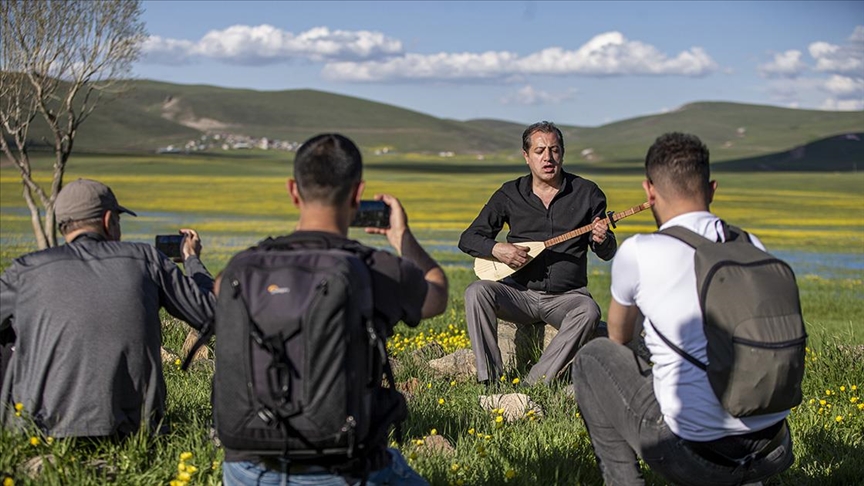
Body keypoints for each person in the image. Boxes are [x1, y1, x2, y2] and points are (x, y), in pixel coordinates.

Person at [221, 133, 448, 486]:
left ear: (293, 191)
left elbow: (217, 291)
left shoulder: (243, 268)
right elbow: (437, 293)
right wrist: (402, 237)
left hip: (246, 468)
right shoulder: (379, 269)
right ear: (358, 194)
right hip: (344, 470)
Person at [572, 133, 794, 485]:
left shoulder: (641, 251)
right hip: (774, 448)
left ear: (649, 191)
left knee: (593, 357)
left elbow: (618, 337)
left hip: (696, 457)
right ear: (712, 188)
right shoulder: (750, 242)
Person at [0, 178, 216, 438]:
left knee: (9, 331)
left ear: (63, 226)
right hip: (132, 430)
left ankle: (20, 417)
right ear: (108, 221)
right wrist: (191, 259)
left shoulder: (25, 271)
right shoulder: (145, 260)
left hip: (41, 430)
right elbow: (211, 313)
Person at [458, 121, 616, 386]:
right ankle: (490, 381)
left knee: (588, 310)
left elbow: (607, 251)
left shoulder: (587, 193)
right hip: (518, 294)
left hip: (567, 297)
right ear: (526, 156)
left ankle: (535, 384)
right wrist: (499, 249)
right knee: (477, 292)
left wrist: (602, 239)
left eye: (554, 150)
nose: (548, 157)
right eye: (540, 151)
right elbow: (469, 238)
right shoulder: (510, 193)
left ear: (562, 153)